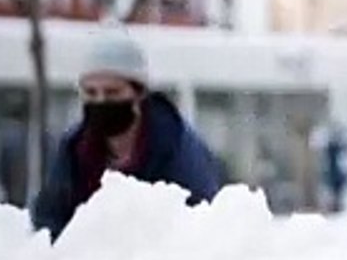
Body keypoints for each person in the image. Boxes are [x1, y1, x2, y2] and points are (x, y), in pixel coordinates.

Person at [31, 29, 222, 239]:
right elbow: (48, 221)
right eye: (91, 93)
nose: (100, 101)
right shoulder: (74, 149)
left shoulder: (177, 146)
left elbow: (202, 221)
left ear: (139, 93)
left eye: (112, 92)